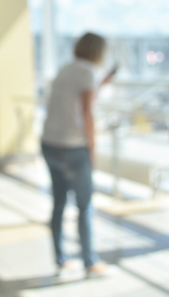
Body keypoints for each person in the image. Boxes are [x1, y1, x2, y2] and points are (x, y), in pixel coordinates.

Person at [41, 32, 116, 278]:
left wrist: (102, 83)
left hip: (50, 142)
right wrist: (92, 150)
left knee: (59, 203)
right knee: (84, 206)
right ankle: (89, 261)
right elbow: (86, 112)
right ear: (98, 51)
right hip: (73, 147)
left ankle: (60, 259)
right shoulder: (89, 72)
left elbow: (72, 98)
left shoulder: (66, 69)